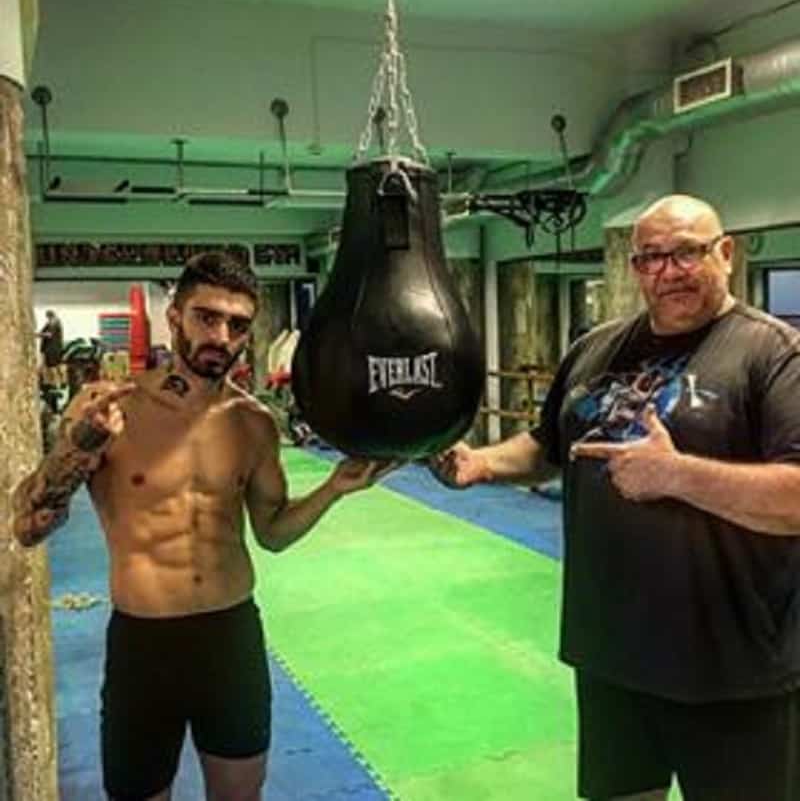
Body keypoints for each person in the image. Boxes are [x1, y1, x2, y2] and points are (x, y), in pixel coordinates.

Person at [429, 194, 800, 801]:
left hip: (732, 668)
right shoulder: (595, 349)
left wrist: (678, 476)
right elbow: (549, 446)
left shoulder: (774, 353)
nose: (669, 271)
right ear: (634, 268)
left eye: (687, 252)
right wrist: (481, 463)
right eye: (651, 257)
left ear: (726, 253)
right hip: (612, 656)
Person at [13, 252, 392, 801]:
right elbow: (28, 525)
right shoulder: (107, 407)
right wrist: (83, 443)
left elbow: (273, 533)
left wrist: (333, 488)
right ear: (175, 317)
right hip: (143, 644)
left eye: (237, 325)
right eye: (207, 317)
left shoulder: (254, 424)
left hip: (230, 638)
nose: (221, 336)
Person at [37, 308, 65, 389]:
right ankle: (58, 383)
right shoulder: (50, 323)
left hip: (53, 348)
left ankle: (55, 383)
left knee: (53, 367)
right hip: (51, 348)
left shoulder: (55, 323)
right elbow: (43, 331)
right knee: (54, 366)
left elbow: (49, 335)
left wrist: (39, 335)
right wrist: (40, 334)